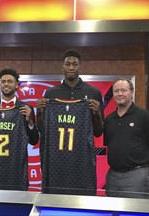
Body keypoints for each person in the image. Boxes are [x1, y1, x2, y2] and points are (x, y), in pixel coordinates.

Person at [36, 49, 104, 195]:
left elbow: (98, 132)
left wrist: (97, 114)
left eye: (75, 64)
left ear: (80, 67)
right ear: (63, 67)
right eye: (68, 64)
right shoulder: (51, 93)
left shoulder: (93, 92)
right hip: (56, 160)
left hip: (82, 160)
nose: (71, 67)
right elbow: (43, 131)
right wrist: (39, 113)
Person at [0, 68, 39, 190]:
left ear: (17, 85)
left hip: (16, 170)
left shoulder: (25, 108)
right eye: (3, 81)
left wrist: (30, 121)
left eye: (10, 81)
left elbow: (34, 140)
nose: (6, 84)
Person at [104, 78, 149, 199]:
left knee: (136, 212)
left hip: (137, 176)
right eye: (116, 91)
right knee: (113, 211)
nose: (119, 94)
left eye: (124, 90)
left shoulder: (144, 116)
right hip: (112, 177)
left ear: (131, 92)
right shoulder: (109, 119)